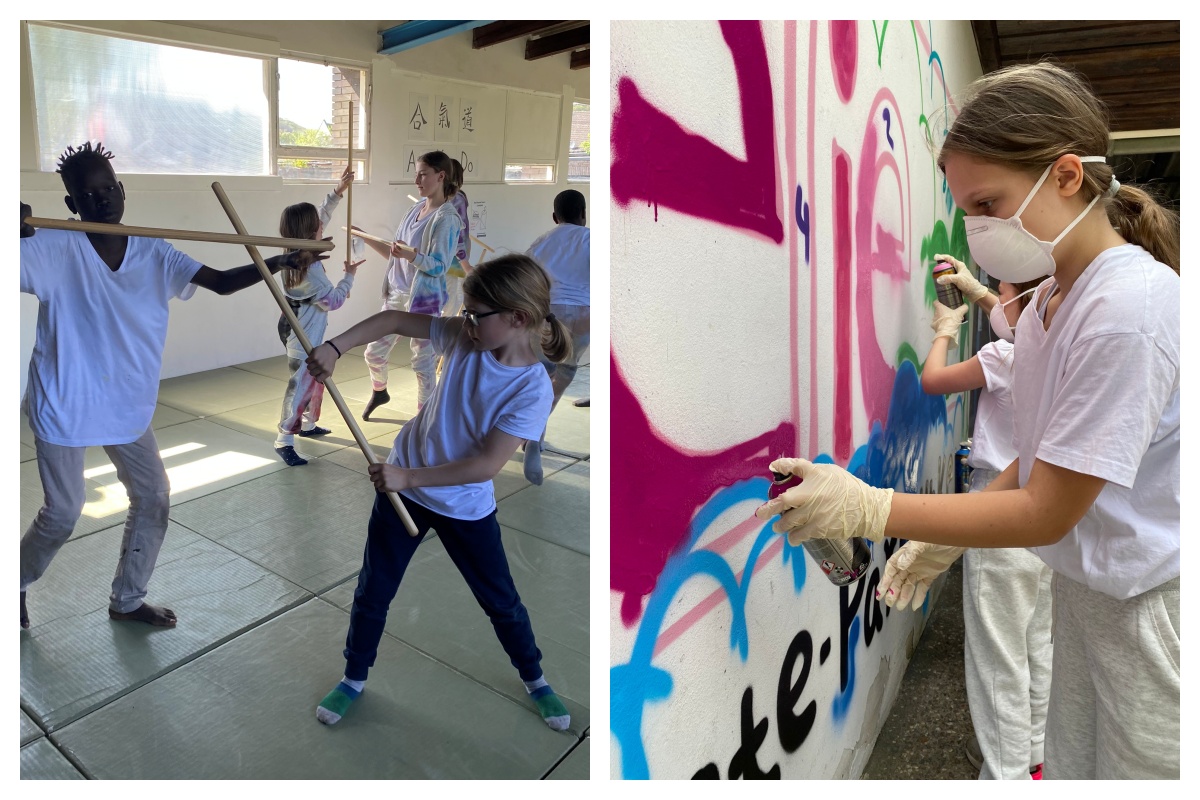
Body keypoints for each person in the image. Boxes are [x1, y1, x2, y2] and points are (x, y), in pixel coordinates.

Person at [756, 62, 1179, 780]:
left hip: (1148, 607)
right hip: (1092, 591)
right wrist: (942, 535)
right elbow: (1046, 454)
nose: (980, 229)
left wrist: (874, 508)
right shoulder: (1049, 304)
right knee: (1080, 771)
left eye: (990, 202)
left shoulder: (1127, 310)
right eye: (969, 211)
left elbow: (1046, 509)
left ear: (1068, 176)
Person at [19, 141, 322, 629]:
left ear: (122, 191)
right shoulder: (51, 246)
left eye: (107, 188)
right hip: (65, 397)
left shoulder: (154, 250)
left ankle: (128, 598)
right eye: (87, 194)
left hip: (126, 399)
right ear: (72, 204)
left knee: (154, 495)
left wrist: (282, 261)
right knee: (63, 512)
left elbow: (221, 282)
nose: (101, 199)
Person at [304, 254, 574, 732]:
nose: (465, 321)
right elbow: (392, 318)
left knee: (501, 601)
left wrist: (407, 479)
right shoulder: (466, 336)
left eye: (476, 313)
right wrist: (335, 346)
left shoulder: (532, 389)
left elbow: (486, 465)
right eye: (465, 311)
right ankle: (353, 678)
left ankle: (535, 679)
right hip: (402, 489)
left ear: (518, 319)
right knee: (373, 591)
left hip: (460, 503)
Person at [923, 263, 1051, 780]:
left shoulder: (1002, 355)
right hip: (1045, 517)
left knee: (997, 667)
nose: (992, 303)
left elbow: (934, 381)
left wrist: (944, 331)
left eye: (999, 294)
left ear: (1021, 305)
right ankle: (1038, 760)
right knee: (1037, 645)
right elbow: (1017, 316)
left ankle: (1005, 778)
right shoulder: (1059, 356)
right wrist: (977, 292)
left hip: (996, 517)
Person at [355, 150, 463, 420]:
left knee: (423, 364)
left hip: (424, 301)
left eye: (423, 174)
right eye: (416, 173)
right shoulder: (414, 209)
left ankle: (426, 420)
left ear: (441, 176)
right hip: (396, 295)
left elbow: (439, 265)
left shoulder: (447, 218)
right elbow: (396, 255)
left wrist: (411, 255)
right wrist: (366, 238)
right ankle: (380, 391)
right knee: (374, 352)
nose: (417, 180)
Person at [273, 168, 362, 466]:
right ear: (311, 234)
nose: (322, 228)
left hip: (303, 329)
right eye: (318, 228)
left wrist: (338, 192)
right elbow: (334, 301)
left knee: (317, 381)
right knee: (300, 387)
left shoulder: (293, 250)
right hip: (302, 338)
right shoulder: (311, 273)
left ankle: (309, 424)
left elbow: (321, 217)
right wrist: (349, 276)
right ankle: (283, 438)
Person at [521, 189, 590, 485]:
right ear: (584, 215)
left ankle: (534, 435)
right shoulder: (591, 239)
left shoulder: (543, 240)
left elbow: (525, 276)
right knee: (563, 374)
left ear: (554, 217)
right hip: (585, 314)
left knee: (541, 374)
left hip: (550, 314)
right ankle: (536, 433)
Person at [442, 157, 472, 317]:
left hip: (442, 257)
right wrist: (465, 263)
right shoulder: (457, 198)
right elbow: (458, 235)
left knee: (448, 297)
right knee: (452, 299)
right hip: (454, 259)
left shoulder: (437, 197)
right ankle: (447, 334)